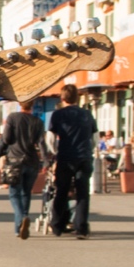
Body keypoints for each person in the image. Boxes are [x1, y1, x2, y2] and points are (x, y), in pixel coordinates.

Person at [47, 84, 97, 237]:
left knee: (61, 191)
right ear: (78, 97)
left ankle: (57, 225)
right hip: (84, 157)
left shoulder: (58, 114)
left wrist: (55, 151)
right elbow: (95, 137)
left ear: (62, 98)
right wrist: (90, 150)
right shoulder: (87, 114)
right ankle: (81, 227)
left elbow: (50, 138)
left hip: (66, 157)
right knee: (82, 192)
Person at [0, 101, 45, 238]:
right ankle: (24, 219)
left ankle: (21, 220)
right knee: (26, 193)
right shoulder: (38, 121)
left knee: (14, 193)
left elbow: (6, 139)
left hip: (14, 161)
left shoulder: (13, 117)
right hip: (32, 161)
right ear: (32, 106)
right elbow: (41, 143)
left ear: (20, 104)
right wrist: (45, 162)